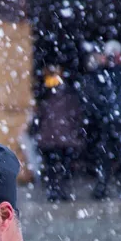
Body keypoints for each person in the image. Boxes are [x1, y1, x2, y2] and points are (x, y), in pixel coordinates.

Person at [81, 40, 121, 200]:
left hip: (116, 119)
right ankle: (111, 186)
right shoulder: (109, 74)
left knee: (116, 154)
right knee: (110, 154)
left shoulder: (119, 73)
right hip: (113, 119)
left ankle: (116, 186)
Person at [34, 65, 85, 202]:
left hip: (52, 137)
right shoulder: (68, 95)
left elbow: (39, 116)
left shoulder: (46, 94)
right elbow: (76, 116)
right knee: (61, 167)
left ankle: (55, 190)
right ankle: (59, 190)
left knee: (54, 167)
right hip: (61, 137)